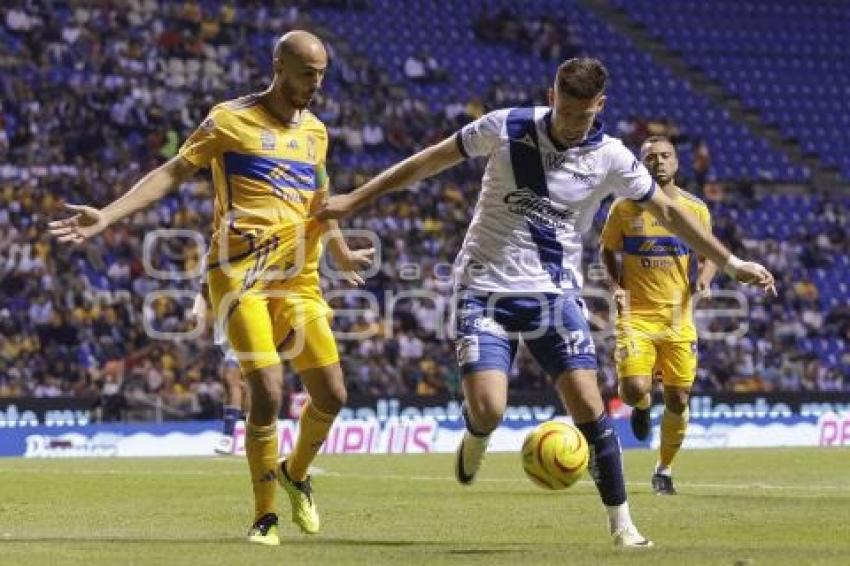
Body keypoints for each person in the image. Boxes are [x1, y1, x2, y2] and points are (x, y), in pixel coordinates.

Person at [317, 57, 775, 548]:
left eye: (581, 115)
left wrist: (730, 264)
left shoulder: (614, 157)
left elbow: (669, 212)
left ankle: (623, 525)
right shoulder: (507, 126)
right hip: (484, 288)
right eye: (563, 109)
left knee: (588, 404)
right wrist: (353, 200)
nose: (569, 122)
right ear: (552, 94)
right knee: (491, 408)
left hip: (555, 296)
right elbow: (428, 160)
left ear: (599, 106)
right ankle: (477, 433)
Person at [49, 30, 373, 546]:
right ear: (279, 67)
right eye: (306, 73)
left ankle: (295, 473)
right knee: (266, 391)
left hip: (299, 281)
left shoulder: (316, 132)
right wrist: (106, 215)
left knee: (333, 394)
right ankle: (264, 517)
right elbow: (173, 172)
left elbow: (321, 203)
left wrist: (340, 252)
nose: (315, 84)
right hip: (238, 274)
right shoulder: (228, 119)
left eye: (321, 74)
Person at [599, 136, 717, 495]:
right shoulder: (624, 209)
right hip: (637, 316)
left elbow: (709, 255)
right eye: (651, 157)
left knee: (679, 399)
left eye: (666, 156)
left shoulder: (695, 210)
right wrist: (615, 286)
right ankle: (642, 404)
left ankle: (663, 469)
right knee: (634, 389)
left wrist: (705, 282)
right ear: (640, 164)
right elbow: (606, 252)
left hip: (678, 319)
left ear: (677, 163)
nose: (659, 162)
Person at [190, 282, 249, 456]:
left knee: (232, 381)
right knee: (239, 387)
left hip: (242, 333)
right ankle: (256, 434)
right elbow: (204, 292)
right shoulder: (214, 277)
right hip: (228, 341)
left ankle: (227, 437)